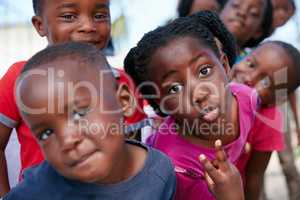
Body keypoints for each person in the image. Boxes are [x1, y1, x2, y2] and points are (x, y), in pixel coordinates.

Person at [0, 0, 147, 196]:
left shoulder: (122, 83)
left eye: (100, 16)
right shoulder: (22, 79)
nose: (88, 26)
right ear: (40, 25)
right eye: (69, 16)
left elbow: (132, 152)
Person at [3, 42, 176, 200]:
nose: (67, 141)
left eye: (79, 113)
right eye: (46, 133)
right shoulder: (35, 191)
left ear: (123, 102)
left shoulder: (160, 171)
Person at [124, 11, 257, 200]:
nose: (199, 94)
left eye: (204, 71)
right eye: (174, 88)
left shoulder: (246, 99)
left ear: (225, 67)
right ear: (161, 103)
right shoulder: (172, 168)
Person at [232, 41, 300, 200]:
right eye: (250, 64)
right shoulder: (212, 86)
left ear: (277, 100)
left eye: (266, 82)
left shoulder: (267, 123)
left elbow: (254, 177)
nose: (249, 78)